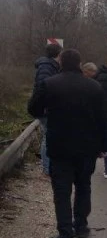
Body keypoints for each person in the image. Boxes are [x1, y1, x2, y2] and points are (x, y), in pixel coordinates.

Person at [28, 49, 107, 238]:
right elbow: (104, 120)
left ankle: (65, 234)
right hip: (87, 149)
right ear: (80, 64)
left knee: (62, 192)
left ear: (61, 63)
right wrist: (104, 146)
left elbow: (33, 109)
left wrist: (49, 111)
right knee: (83, 187)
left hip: (60, 147)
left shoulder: (50, 84)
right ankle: (81, 227)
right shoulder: (95, 87)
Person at [33, 44, 62, 176]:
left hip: (47, 108)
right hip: (45, 109)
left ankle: (49, 164)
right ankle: (47, 168)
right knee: (48, 137)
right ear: (58, 54)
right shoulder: (47, 67)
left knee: (50, 135)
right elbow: (43, 88)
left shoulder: (50, 66)